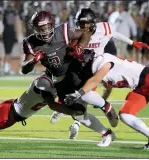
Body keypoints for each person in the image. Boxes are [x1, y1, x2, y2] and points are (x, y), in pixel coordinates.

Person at [50, 8, 149, 140]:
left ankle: (81, 118)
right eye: (79, 23)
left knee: (85, 94)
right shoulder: (77, 33)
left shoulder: (104, 28)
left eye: (82, 23)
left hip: (96, 67)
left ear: (90, 23)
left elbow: (114, 34)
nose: (80, 26)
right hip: (79, 67)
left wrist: (132, 42)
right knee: (67, 88)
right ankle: (69, 111)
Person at [21, 10, 117, 147]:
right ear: (35, 28)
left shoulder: (63, 31)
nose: (45, 31)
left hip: (75, 68)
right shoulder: (31, 43)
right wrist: (32, 62)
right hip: (59, 80)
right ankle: (107, 134)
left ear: (52, 25)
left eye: (47, 27)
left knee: (84, 90)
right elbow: (24, 69)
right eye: (41, 28)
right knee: (78, 114)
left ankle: (105, 105)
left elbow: (86, 33)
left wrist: (80, 46)